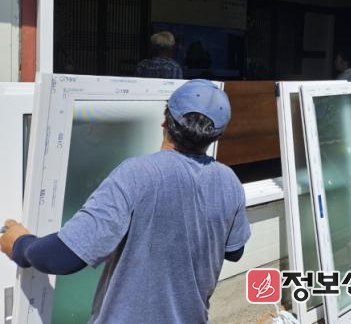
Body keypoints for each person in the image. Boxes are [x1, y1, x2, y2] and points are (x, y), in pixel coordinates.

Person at [0, 80, 250, 324]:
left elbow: (62, 257)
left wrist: (20, 244)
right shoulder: (229, 182)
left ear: (165, 121)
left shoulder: (138, 175)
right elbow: (234, 252)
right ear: (216, 136)